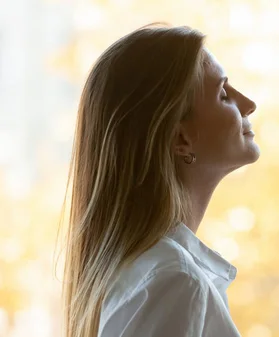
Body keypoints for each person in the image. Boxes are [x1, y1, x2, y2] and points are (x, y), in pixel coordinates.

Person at [61, 23, 259, 337]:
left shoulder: (155, 275)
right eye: (223, 94)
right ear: (181, 138)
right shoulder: (176, 282)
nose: (248, 104)